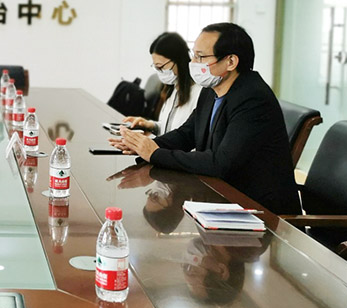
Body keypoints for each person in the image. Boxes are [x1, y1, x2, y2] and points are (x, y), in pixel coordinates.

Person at [114, 22, 301, 214]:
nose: (193, 63)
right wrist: (145, 145)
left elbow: (221, 163)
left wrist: (155, 154)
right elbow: (187, 133)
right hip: (223, 197)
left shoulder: (253, 98)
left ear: (230, 62)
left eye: (201, 57)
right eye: (194, 55)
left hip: (259, 211)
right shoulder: (211, 90)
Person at [124, 32, 201, 135]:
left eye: (161, 67)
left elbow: (187, 136)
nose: (160, 72)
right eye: (156, 67)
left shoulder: (198, 94)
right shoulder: (173, 89)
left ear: (179, 61)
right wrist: (151, 125)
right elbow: (169, 127)